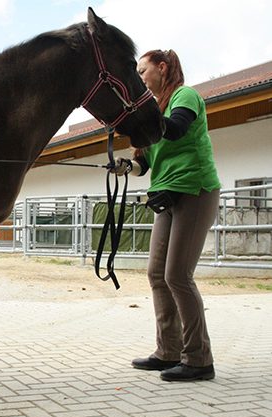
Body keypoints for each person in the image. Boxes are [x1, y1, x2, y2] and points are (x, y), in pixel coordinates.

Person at [110, 49, 221, 381]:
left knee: (178, 276)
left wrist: (137, 116)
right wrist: (125, 166)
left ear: (163, 67)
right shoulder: (154, 110)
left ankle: (200, 359)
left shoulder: (184, 96)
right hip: (167, 196)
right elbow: (143, 164)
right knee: (157, 274)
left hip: (195, 191)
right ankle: (168, 352)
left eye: (143, 71)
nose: (140, 77)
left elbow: (175, 130)